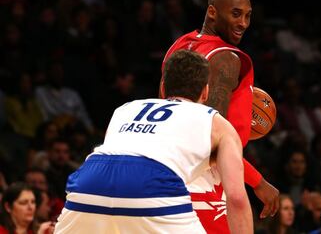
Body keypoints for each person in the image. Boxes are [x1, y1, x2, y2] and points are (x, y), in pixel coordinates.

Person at [54, 50, 253, 233]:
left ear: (163, 87)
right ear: (205, 92)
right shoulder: (216, 123)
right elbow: (235, 197)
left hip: (90, 180)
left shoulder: (125, 109)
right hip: (151, 182)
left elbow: (116, 160)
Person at [161, 0, 279, 233]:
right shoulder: (226, 58)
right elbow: (210, 142)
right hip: (206, 181)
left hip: (170, 171)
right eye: (236, 14)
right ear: (212, 12)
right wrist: (258, 182)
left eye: (248, 16)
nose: (243, 23)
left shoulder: (180, 46)